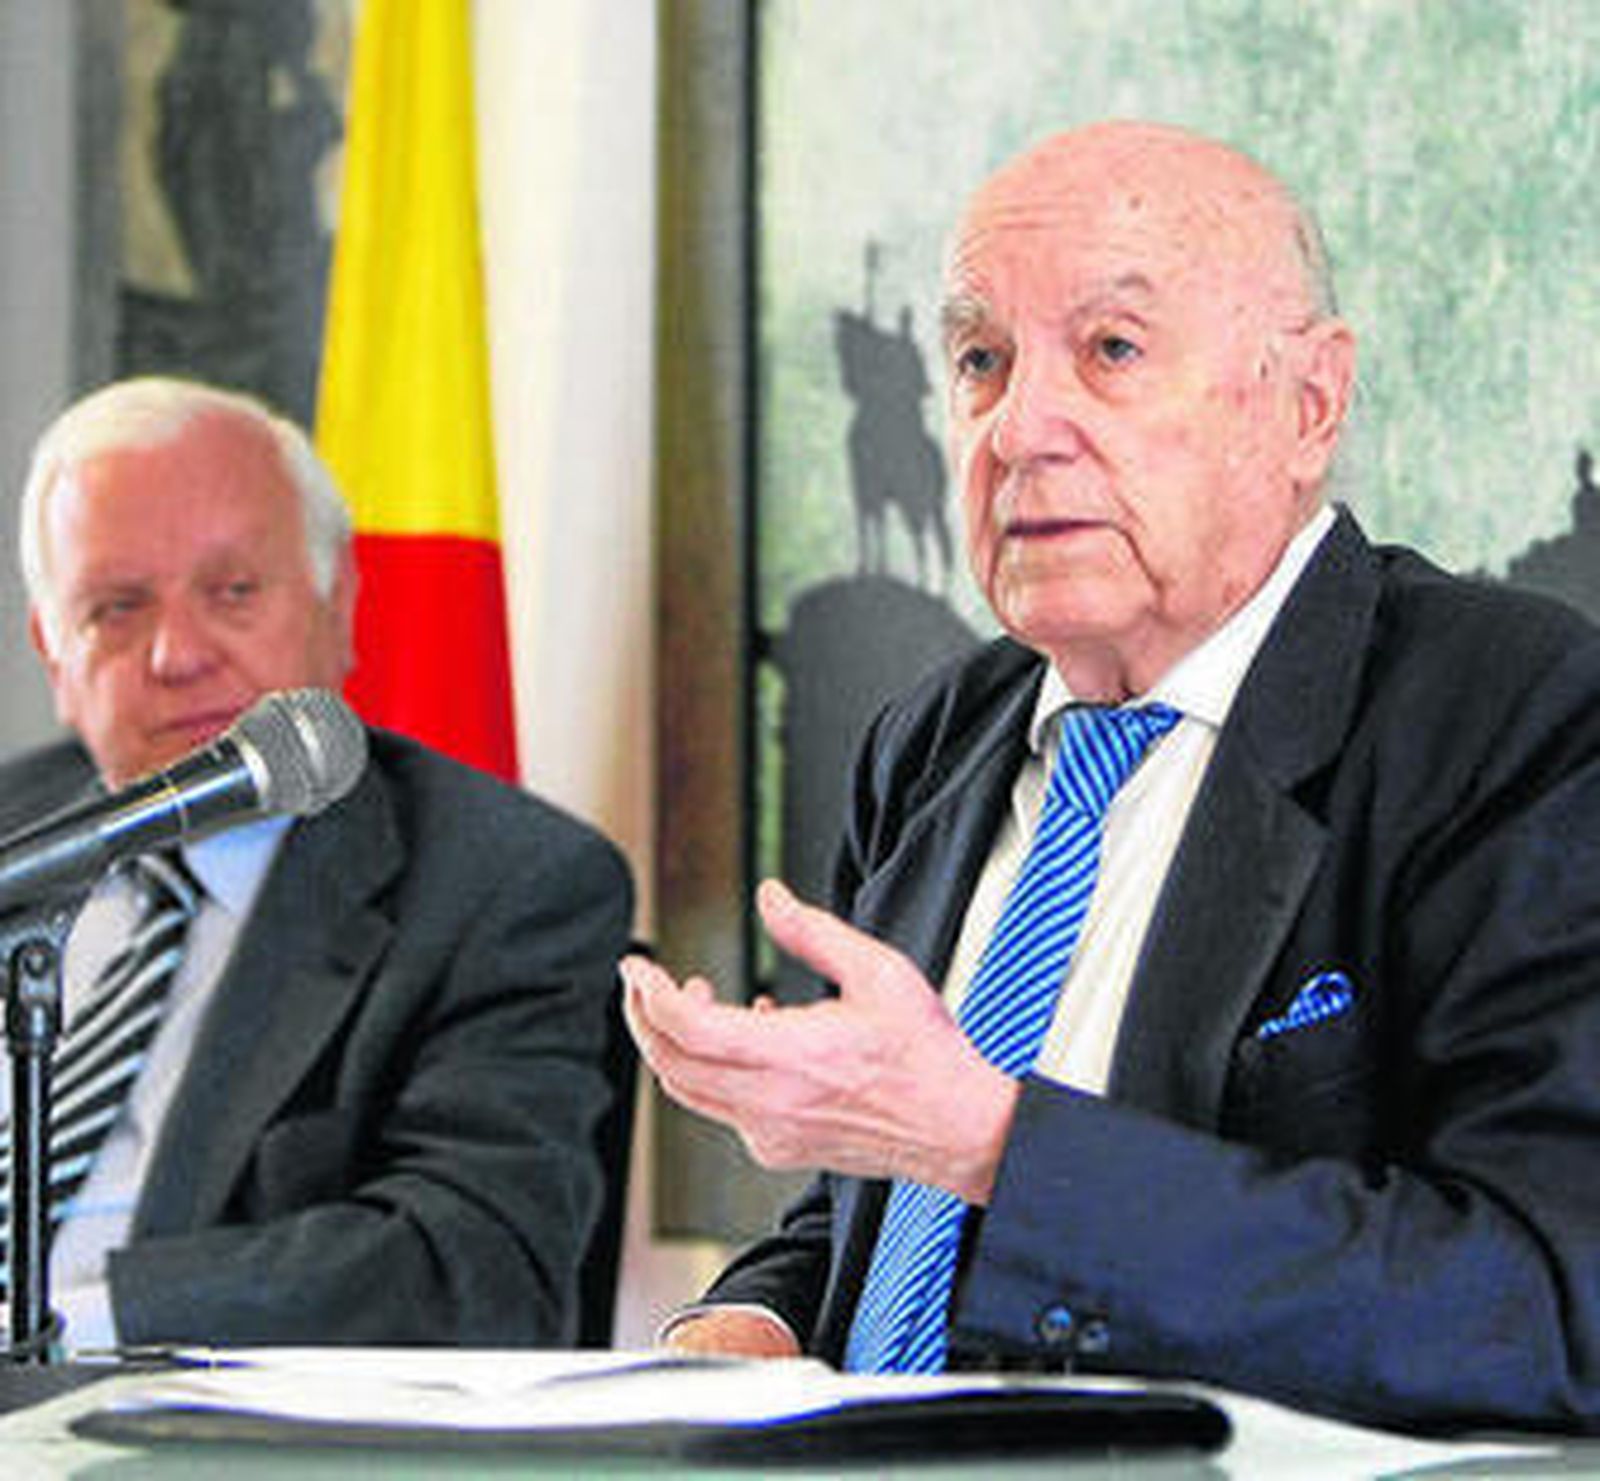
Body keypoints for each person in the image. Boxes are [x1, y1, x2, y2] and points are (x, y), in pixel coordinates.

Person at [622, 120, 1600, 1433]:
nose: (1018, 428)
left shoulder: (1512, 715)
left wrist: (994, 1143)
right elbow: (878, 1208)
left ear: (1309, 403)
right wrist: (760, 1315)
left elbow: (1542, 1300)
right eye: (980, 360)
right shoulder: (934, 739)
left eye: (1113, 351)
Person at [0, 376, 634, 1350]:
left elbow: (469, 1263)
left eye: (233, 591)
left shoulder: (504, 886)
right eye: (116, 607)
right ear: (53, 653)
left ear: (339, 605)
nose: (176, 652)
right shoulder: (20, 840)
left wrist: (42, 1326)